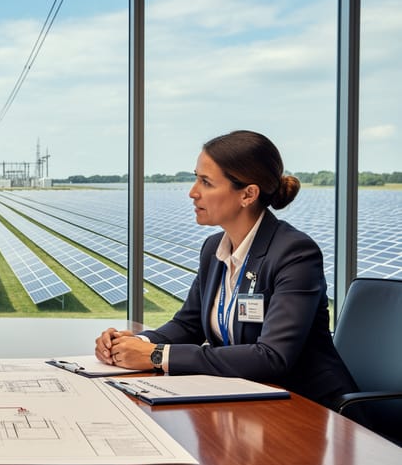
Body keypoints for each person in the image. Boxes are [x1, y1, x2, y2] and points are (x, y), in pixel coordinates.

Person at [95, 130, 357, 410]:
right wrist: (133, 343)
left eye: (206, 182)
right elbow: (188, 325)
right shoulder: (213, 249)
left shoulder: (295, 253)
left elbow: (272, 356)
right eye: (196, 178)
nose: (192, 192)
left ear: (248, 194)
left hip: (311, 409)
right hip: (249, 403)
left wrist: (157, 355)